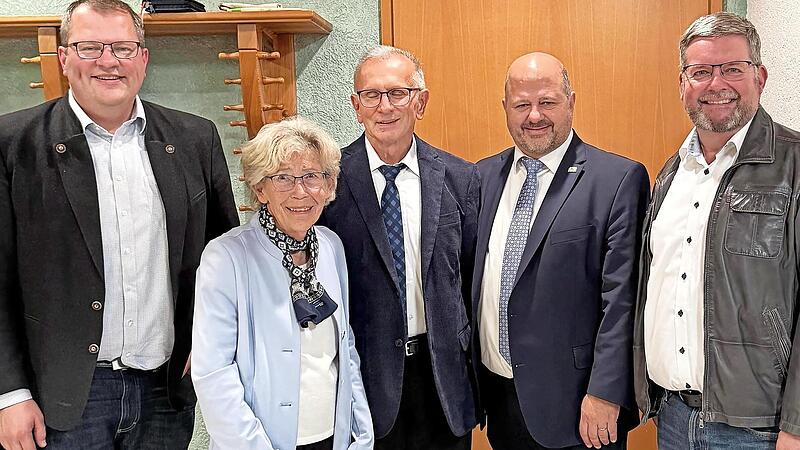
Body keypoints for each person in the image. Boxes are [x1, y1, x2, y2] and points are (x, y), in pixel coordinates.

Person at [0, 0, 239, 448]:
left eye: (124, 48)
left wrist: (212, 344)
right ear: (63, 57)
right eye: (90, 47)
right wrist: (9, 394)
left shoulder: (194, 138)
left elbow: (224, 257)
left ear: (143, 59)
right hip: (66, 396)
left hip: (165, 392)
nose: (109, 62)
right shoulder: (13, 144)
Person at [633, 12, 800, 450]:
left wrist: (797, 426)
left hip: (758, 430)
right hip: (672, 419)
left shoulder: (795, 166)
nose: (716, 83)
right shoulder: (671, 173)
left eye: (732, 68)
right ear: (682, 83)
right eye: (701, 72)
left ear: (759, 76)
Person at [474, 52, 649, 450]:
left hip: (579, 407)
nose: (534, 115)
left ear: (571, 101)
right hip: (500, 399)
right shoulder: (482, 176)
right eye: (521, 104)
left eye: (547, 102)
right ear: (505, 108)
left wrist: (607, 393)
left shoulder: (617, 180)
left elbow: (622, 300)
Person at [318, 45, 479, 450]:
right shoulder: (328, 183)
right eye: (371, 95)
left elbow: (473, 278)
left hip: (443, 378)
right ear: (356, 106)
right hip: (365, 378)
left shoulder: (461, 178)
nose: (384, 106)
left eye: (397, 93)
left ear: (420, 102)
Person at [191, 116, 374, 450]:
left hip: (333, 438)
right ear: (260, 188)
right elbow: (214, 374)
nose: (300, 191)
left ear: (329, 185)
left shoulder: (330, 246)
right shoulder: (226, 257)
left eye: (311, 177)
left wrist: (362, 432)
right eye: (283, 178)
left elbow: (346, 350)